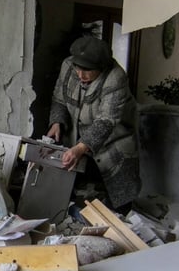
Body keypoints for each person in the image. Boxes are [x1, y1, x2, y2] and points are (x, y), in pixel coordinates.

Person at [46, 35, 140, 212]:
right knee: (77, 196)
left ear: (101, 67)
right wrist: (57, 122)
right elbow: (59, 99)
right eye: (77, 68)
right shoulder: (68, 66)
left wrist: (81, 148)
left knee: (119, 200)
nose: (80, 74)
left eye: (87, 70)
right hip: (78, 140)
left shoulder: (116, 77)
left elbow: (106, 120)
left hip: (113, 144)